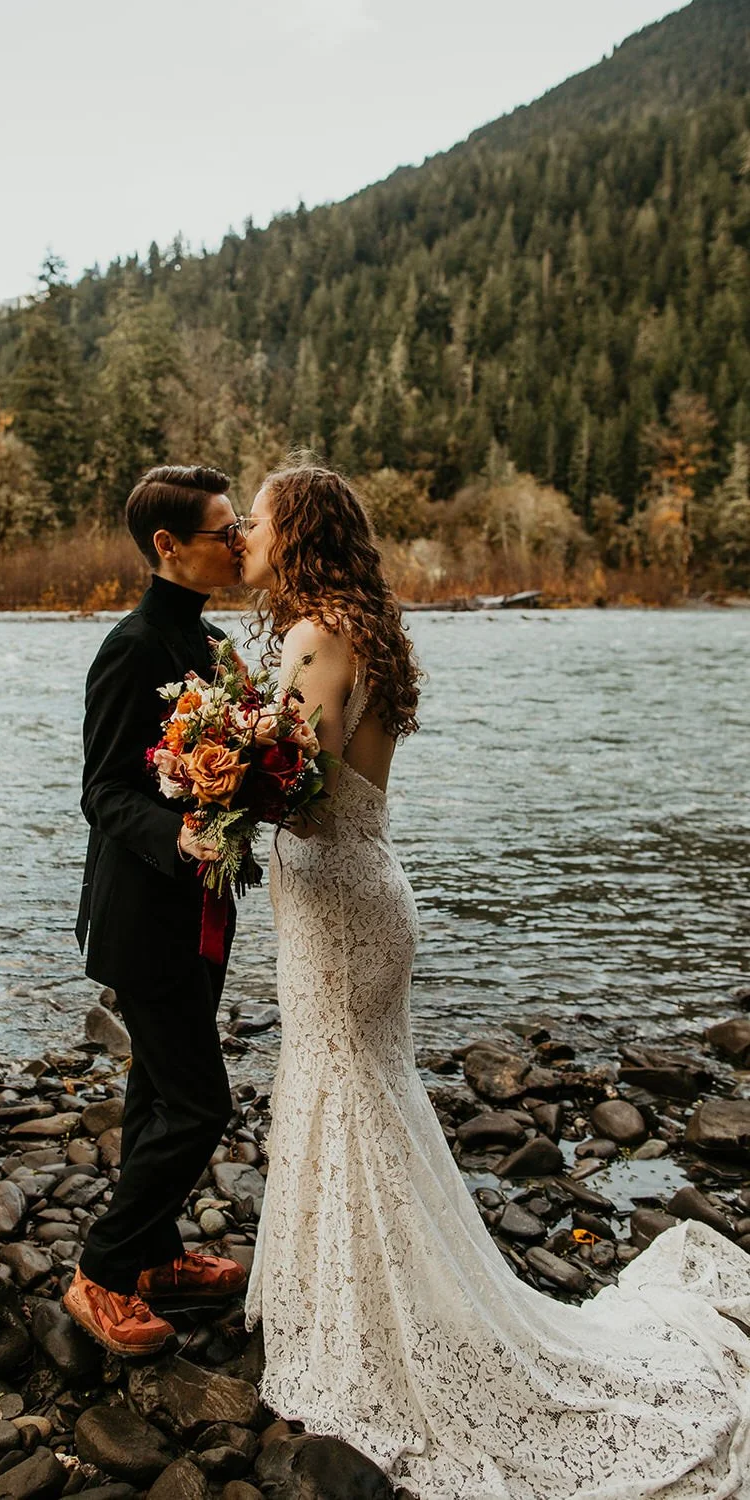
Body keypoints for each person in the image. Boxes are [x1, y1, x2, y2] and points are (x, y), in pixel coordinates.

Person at [239, 463, 750, 1498]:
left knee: (343, 1092)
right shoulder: (363, 625)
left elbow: (297, 786)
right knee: (363, 1092)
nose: (241, 535)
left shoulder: (310, 636)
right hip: (368, 887)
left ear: (291, 531)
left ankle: (361, 1334)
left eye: (253, 520)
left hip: (336, 902)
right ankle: (367, 1302)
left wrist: (209, 779)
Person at [63, 464, 249, 1357]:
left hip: (203, 911)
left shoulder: (213, 646)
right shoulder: (132, 646)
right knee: (199, 1105)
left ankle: (153, 1257)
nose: (240, 541)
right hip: (143, 915)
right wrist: (180, 837)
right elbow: (102, 791)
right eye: (225, 530)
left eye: (242, 524)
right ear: (169, 546)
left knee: (156, 1091)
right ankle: (99, 1271)